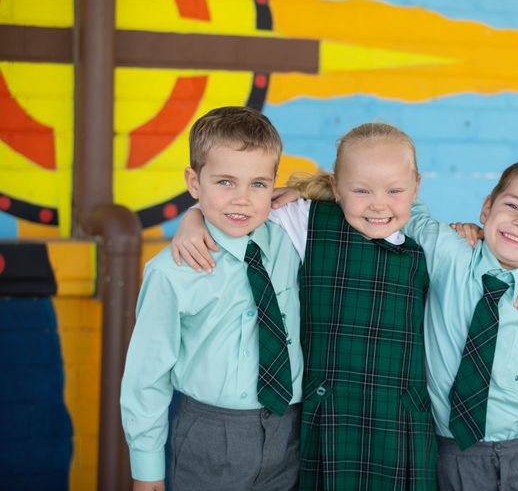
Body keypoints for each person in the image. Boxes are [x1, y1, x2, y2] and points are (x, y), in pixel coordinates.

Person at [173, 122, 437, 490]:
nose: (379, 204)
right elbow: (237, 211)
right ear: (335, 186)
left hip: (397, 421)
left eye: (394, 190)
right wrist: (195, 216)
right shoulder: (306, 221)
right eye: (361, 190)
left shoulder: (429, 239)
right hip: (326, 418)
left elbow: (495, 259)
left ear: (415, 187)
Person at [120, 106, 303, 491]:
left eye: (258, 184)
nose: (242, 199)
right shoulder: (171, 272)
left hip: (290, 433)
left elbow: (355, 185)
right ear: (193, 181)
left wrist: (300, 190)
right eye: (225, 182)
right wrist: (147, 466)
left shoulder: (292, 240)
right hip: (210, 434)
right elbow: (146, 376)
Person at [402, 158, 518, 491]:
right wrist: (308, 192)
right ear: (486, 208)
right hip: (455, 454)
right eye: (512, 205)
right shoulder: (449, 254)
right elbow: (405, 204)